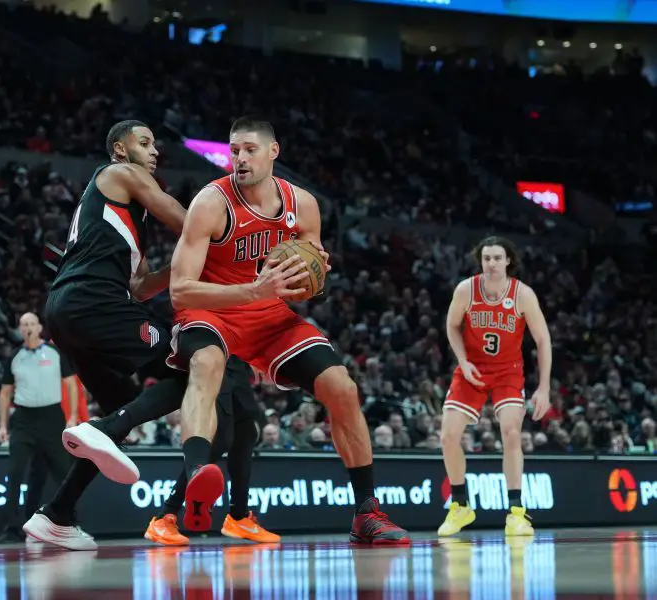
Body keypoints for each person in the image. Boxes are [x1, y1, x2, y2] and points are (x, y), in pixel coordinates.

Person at [76, 116, 407, 543]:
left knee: (341, 387)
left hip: (269, 317)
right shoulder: (211, 203)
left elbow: (313, 287)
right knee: (208, 362)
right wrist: (253, 290)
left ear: (274, 152)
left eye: (250, 149)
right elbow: (180, 291)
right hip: (213, 311)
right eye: (234, 150)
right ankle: (198, 472)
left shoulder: (302, 204)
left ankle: (366, 511)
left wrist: (313, 280)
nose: (240, 158)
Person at [22, 120, 198, 550]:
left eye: (156, 144)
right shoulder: (120, 173)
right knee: (193, 369)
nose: (154, 151)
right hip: (92, 302)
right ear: (120, 150)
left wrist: (185, 267)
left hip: (68, 310)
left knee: (120, 409)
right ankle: (102, 427)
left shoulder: (118, 212)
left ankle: (57, 515)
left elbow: (140, 287)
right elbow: (183, 219)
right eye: (144, 143)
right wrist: (232, 241)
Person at [438, 237, 551, 537]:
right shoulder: (466, 290)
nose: (491, 263)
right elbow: (451, 325)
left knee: (511, 430)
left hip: (508, 372)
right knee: (448, 435)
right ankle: (460, 505)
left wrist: (544, 388)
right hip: (472, 368)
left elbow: (542, 339)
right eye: (486, 258)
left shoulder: (523, 294)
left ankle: (516, 512)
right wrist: (462, 360)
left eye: (497, 258)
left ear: (508, 261)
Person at [144, 357, 280, 545]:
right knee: (219, 439)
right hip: (216, 355)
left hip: (237, 360)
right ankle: (164, 516)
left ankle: (239, 517)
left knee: (246, 433)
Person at [0, 312, 77, 543]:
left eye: (32, 323)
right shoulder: (15, 356)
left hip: (51, 417)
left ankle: (68, 523)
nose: (29, 327)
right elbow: (4, 393)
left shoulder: (53, 352)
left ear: (39, 327)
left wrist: (71, 416)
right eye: (24, 324)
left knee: (63, 473)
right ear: (20, 329)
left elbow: (71, 384)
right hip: (23, 419)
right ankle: (12, 528)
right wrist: (3, 425)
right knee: (14, 473)